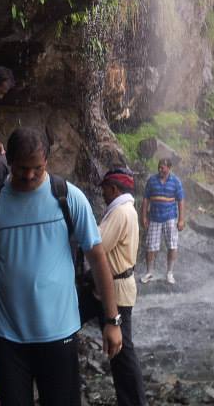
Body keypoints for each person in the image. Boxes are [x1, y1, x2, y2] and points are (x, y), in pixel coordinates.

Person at [0, 127, 123, 406]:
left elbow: (97, 258)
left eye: (38, 168)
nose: (30, 175)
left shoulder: (68, 197)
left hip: (59, 333)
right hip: (9, 336)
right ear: (10, 161)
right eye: (23, 168)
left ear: (47, 161)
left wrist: (112, 320)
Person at [79, 168, 147, 406]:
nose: (102, 193)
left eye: (105, 188)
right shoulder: (126, 209)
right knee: (120, 351)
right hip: (109, 286)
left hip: (115, 289)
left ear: (115, 189)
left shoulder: (119, 212)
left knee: (123, 352)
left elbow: (97, 243)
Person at [140, 157, 186, 285]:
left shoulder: (176, 181)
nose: (160, 169)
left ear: (169, 168)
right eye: (159, 167)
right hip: (154, 217)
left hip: (170, 217)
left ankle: (169, 273)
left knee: (172, 245)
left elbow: (181, 200)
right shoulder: (151, 181)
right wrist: (144, 217)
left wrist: (181, 219)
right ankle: (149, 272)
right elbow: (145, 200)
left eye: (163, 168)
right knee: (151, 246)